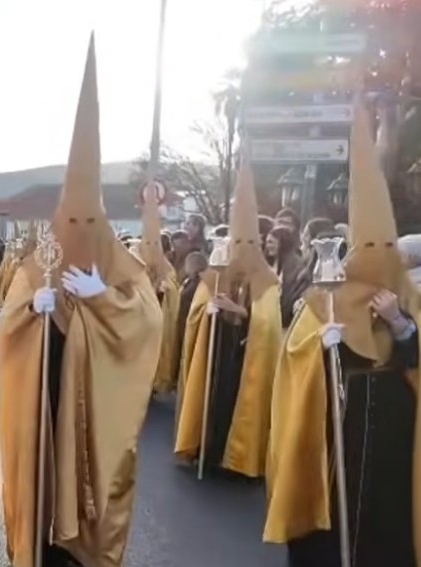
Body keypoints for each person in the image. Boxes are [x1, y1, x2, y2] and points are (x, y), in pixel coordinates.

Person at [0, 37, 161, 567]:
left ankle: (84, 545)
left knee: (91, 479)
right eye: (72, 221)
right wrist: (32, 311)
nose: (80, 230)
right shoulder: (38, 264)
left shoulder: (122, 267)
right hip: (45, 399)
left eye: (90, 221)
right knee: (43, 472)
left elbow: (148, 323)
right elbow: (9, 326)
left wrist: (103, 299)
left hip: (94, 410)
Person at [265, 102, 420, 567]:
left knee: (385, 513)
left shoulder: (408, 295)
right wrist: (321, 344)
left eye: (386, 248)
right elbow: (294, 358)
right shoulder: (324, 296)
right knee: (336, 505)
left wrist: (400, 325)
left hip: (395, 426)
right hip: (339, 423)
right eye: (369, 247)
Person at [174, 156, 281, 479]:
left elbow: (268, 326)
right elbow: (195, 313)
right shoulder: (216, 273)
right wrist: (206, 314)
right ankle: (206, 449)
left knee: (239, 404)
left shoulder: (267, 280)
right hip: (217, 353)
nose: (243, 249)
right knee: (212, 401)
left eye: (250, 242)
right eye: (238, 242)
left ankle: (239, 458)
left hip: (244, 357)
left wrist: (239, 312)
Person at [134, 184, 182, 395]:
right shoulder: (134, 263)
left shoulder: (166, 266)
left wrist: (165, 290)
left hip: (158, 316)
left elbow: (173, 286)